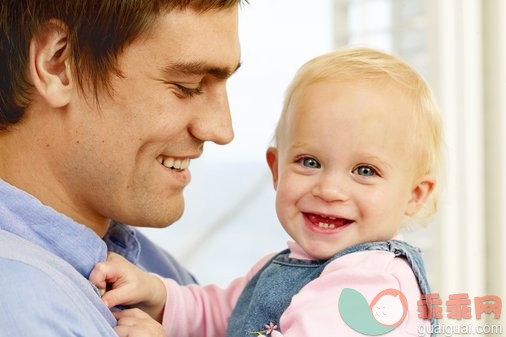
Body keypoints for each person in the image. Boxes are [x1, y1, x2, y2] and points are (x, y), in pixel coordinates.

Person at [90, 47, 443, 336]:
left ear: (415, 195)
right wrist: (156, 295)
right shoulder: (293, 267)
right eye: (309, 162)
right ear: (276, 168)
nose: (330, 189)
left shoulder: (371, 284)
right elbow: (221, 315)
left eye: (365, 171)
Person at [0, 1, 246, 336]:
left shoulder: (156, 273)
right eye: (187, 86)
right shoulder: (24, 305)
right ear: (57, 64)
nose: (223, 130)